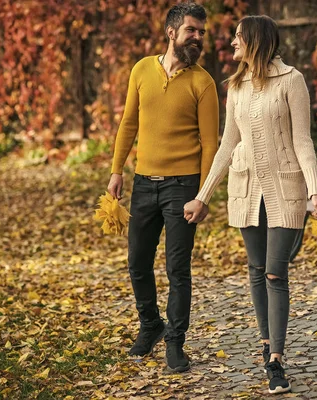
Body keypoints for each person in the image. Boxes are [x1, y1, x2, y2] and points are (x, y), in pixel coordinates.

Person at [184, 15, 317, 394]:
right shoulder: (236, 87)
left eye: (238, 38)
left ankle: (277, 361)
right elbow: (227, 145)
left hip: (285, 189)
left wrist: (315, 191)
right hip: (247, 190)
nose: (231, 44)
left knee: (276, 274)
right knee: (256, 269)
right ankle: (266, 347)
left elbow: (303, 141)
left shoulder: (292, 81)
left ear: (256, 42)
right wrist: (202, 196)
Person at [107, 2, 219, 373]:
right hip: (144, 184)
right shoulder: (141, 70)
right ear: (171, 32)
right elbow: (127, 124)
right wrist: (116, 171)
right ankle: (151, 324)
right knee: (137, 262)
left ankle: (175, 341)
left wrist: (202, 196)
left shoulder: (203, 83)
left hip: (183, 187)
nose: (198, 38)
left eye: (202, 32)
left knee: (177, 269)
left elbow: (210, 146)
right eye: (192, 30)